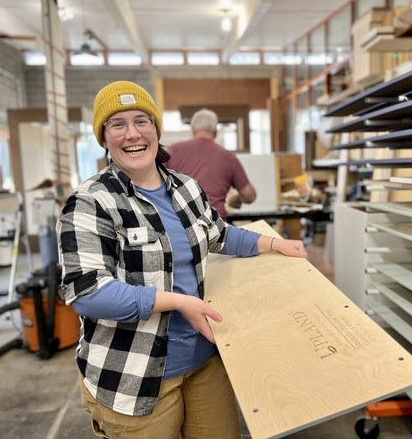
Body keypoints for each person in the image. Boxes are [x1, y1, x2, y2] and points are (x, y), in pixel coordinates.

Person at [57, 81, 307, 439]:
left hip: (204, 359)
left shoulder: (186, 187)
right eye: (118, 124)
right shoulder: (90, 202)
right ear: (104, 138)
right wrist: (177, 302)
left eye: (142, 121)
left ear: (156, 129)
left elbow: (220, 234)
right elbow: (87, 293)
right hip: (135, 373)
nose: (132, 134)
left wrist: (274, 243)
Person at [165, 108, 256, 221]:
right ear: (215, 132)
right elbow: (250, 196)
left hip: (183, 225)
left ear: (193, 130)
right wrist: (237, 198)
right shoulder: (228, 157)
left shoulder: (172, 151)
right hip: (216, 226)